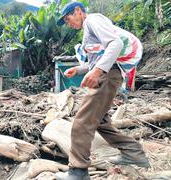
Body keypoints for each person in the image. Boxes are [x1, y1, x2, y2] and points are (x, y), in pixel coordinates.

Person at [55, 2, 150, 180]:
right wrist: (79, 69)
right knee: (99, 121)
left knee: (82, 122)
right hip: (110, 76)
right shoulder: (89, 31)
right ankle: (134, 152)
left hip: (106, 76)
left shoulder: (92, 20)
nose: (69, 24)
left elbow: (115, 44)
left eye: (68, 19)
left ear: (77, 11)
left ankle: (78, 171)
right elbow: (97, 59)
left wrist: (97, 71)